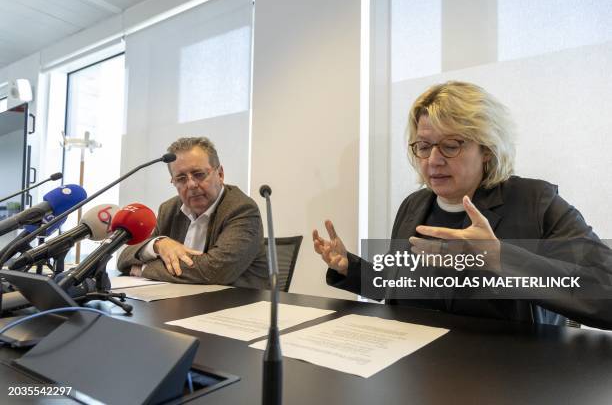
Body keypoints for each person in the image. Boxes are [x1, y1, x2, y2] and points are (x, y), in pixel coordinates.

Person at [313, 81, 612, 329]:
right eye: (424, 146)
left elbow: (604, 290)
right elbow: (397, 286)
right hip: (419, 375)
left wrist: (499, 257)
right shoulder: (413, 207)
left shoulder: (536, 203)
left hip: (512, 380)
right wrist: (350, 268)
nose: (433, 160)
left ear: (486, 148)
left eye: (451, 145)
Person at [117, 137, 269, 289]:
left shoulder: (241, 209)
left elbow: (214, 271)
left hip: (237, 305)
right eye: (181, 178)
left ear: (220, 174)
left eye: (199, 174)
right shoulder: (169, 209)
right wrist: (158, 244)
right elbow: (124, 258)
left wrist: (144, 269)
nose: (191, 184)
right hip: (180, 300)